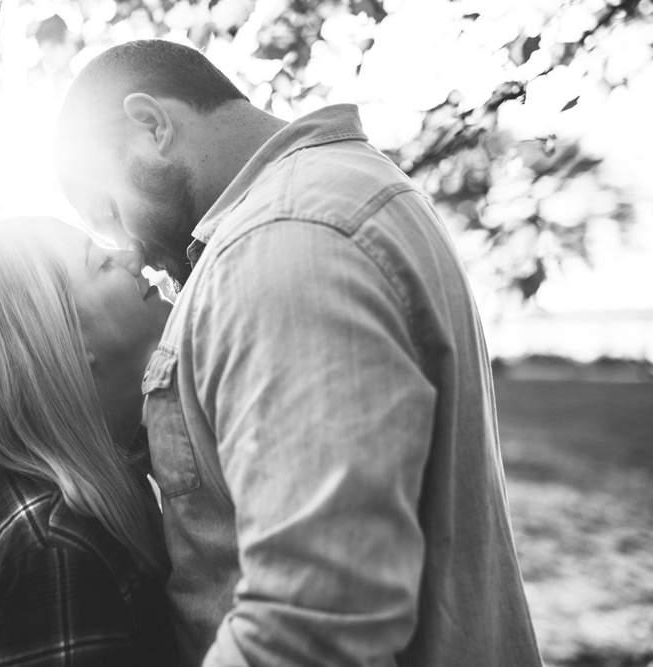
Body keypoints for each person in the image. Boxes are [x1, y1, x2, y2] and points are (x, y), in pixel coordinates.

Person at [55, 39, 543, 666]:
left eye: (111, 211)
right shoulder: (335, 196)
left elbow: (314, 621)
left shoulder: (279, 242)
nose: (131, 251)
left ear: (150, 125)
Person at [0, 216, 177, 665]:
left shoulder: (114, 480)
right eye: (101, 263)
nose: (133, 255)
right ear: (64, 338)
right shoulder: (52, 546)